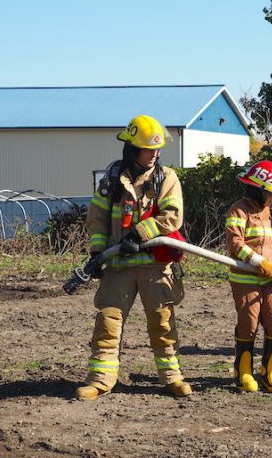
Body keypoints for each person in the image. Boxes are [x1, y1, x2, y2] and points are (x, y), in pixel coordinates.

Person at [76, 115, 190, 400]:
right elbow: (98, 218)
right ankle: (100, 379)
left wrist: (138, 234)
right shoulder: (111, 179)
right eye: (149, 149)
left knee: (162, 322)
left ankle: (172, 378)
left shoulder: (167, 178)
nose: (155, 154)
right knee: (108, 322)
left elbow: (172, 217)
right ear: (132, 149)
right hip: (119, 266)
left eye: (158, 149)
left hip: (155, 265)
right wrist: (97, 252)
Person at [225, 160, 272, 393]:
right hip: (246, 278)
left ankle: (269, 373)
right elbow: (234, 243)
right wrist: (257, 261)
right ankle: (243, 372)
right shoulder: (239, 210)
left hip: (271, 278)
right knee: (248, 324)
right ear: (258, 188)